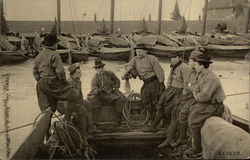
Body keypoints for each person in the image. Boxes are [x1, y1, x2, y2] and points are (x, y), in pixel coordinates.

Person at [183, 54, 226, 156]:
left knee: (193, 119)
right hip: (205, 103)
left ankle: (197, 148)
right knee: (186, 110)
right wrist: (196, 92)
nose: (195, 66)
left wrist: (195, 92)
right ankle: (188, 140)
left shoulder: (210, 78)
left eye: (197, 65)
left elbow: (203, 97)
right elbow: (197, 90)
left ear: (202, 66)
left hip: (214, 106)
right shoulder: (201, 74)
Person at [33, 33, 79, 118]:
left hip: (41, 84)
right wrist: (64, 82)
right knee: (75, 95)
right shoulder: (55, 54)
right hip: (53, 83)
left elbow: (35, 71)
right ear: (54, 44)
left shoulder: (38, 55)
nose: (57, 45)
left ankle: (45, 128)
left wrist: (40, 80)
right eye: (56, 43)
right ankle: (66, 120)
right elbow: (60, 72)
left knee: (48, 109)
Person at [154, 52, 190, 148]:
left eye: (175, 58)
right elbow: (169, 78)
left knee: (172, 111)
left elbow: (186, 83)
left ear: (179, 58)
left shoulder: (185, 67)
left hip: (179, 91)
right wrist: (167, 89)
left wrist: (182, 94)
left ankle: (171, 137)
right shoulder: (173, 66)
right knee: (160, 104)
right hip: (171, 89)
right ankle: (154, 126)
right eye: (171, 58)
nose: (173, 60)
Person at [123, 44, 165, 124]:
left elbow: (159, 71)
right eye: (137, 51)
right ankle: (150, 119)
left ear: (145, 51)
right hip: (146, 83)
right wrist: (126, 72)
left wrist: (161, 83)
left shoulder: (152, 58)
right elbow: (128, 66)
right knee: (145, 99)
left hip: (155, 82)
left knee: (155, 101)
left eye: (140, 51)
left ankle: (159, 120)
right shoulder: (135, 59)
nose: (138, 53)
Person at [170, 50, 203, 148]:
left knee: (182, 112)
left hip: (195, 99)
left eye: (191, 60)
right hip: (188, 96)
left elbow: (199, 92)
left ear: (196, 62)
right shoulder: (192, 72)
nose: (188, 62)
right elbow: (187, 86)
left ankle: (182, 138)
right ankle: (175, 137)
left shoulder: (201, 74)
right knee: (175, 110)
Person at [61, 63, 102, 138]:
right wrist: (71, 110)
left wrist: (82, 101)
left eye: (80, 72)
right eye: (78, 73)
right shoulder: (69, 82)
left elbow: (80, 93)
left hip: (77, 101)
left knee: (89, 104)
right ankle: (84, 133)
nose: (80, 74)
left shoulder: (78, 80)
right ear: (73, 74)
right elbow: (66, 98)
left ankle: (91, 127)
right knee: (83, 110)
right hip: (70, 104)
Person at [87, 59, 126, 127]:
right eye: (98, 68)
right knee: (94, 102)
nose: (101, 69)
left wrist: (115, 88)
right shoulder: (95, 78)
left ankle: (118, 120)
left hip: (111, 93)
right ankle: (95, 122)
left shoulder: (110, 74)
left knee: (120, 100)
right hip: (101, 95)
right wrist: (99, 91)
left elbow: (117, 81)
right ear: (96, 69)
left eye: (102, 67)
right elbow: (93, 89)